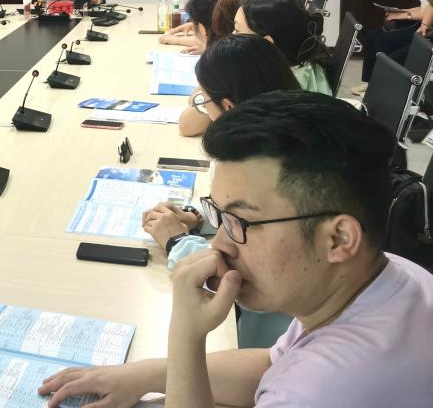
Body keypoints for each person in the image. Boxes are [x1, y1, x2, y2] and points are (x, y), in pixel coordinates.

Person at [40, 91, 433, 408]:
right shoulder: (388, 274)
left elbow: (294, 382)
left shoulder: (323, 389)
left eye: (241, 221)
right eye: (221, 216)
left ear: (339, 239)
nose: (219, 244)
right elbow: (273, 365)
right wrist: (143, 375)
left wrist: (186, 334)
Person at [144, 35, 299, 347]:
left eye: (205, 102)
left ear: (228, 107)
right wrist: (199, 219)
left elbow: (234, 276)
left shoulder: (257, 171)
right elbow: (244, 229)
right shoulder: (290, 136)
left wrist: (177, 242)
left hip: (268, 339)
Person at [356, 0, 433, 88]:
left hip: (426, 28)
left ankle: (382, 84)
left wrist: (404, 16)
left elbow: (427, 12)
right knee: (372, 34)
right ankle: (369, 82)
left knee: (383, 40)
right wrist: (400, 12)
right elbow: (422, 7)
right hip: (420, 22)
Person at [235, 0, 333, 94]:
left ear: (267, 42)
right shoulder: (302, 68)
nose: (232, 35)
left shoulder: (280, 87)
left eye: (237, 30)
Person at [177, 0, 242, 136]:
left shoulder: (224, 60)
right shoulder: (239, 49)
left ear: (201, 28)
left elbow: (187, 126)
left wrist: (200, 97)